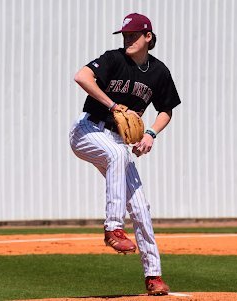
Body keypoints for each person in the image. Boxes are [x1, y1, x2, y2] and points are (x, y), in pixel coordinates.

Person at [69, 13, 181, 295]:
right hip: (88, 131)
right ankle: (113, 229)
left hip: (117, 141)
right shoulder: (114, 59)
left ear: (148, 37)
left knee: (141, 208)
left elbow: (166, 110)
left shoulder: (159, 72)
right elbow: (81, 76)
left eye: (133, 34)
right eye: (125, 34)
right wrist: (113, 105)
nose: (128, 39)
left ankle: (153, 277)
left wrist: (151, 133)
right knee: (118, 156)